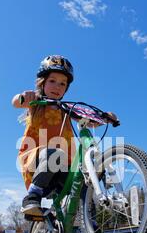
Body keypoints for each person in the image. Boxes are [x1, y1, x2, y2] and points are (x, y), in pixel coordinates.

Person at [12, 55, 118, 217]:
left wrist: (104, 117)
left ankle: (90, 228)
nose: (58, 87)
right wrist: (24, 97)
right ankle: (32, 197)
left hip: (63, 167)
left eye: (63, 84)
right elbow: (16, 102)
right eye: (52, 81)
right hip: (37, 160)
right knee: (56, 154)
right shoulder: (36, 103)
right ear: (42, 83)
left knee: (84, 178)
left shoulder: (66, 109)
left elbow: (90, 121)